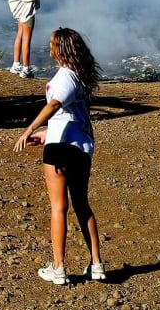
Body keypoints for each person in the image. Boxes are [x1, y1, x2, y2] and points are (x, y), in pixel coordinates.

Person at [12, 27, 106, 285]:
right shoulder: (81, 78)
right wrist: (45, 133)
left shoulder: (65, 76)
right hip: (81, 148)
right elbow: (71, 118)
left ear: (60, 49)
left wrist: (29, 129)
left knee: (58, 207)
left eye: (53, 44)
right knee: (82, 205)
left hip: (59, 149)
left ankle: (59, 267)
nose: (50, 48)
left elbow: (54, 106)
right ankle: (97, 264)